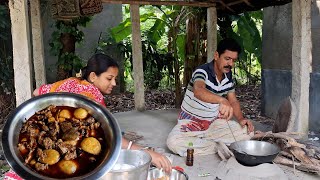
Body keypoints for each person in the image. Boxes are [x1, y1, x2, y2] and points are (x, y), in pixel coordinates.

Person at [5, 53, 171, 180]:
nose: (114, 83)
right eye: (109, 78)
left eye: (115, 79)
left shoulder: (70, 82)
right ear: (93, 76)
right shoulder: (92, 95)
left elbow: (36, 92)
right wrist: (147, 152)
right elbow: (114, 140)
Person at [166, 38, 255, 157]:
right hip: (191, 123)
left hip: (214, 124)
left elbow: (233, 100)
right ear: (217, 55)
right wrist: (222, 100)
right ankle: (217, 146)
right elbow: (199, 91)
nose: (230, 64)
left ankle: (208, 144)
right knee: (173, 143)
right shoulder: (202, 71)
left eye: (233, 60)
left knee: (247, 132)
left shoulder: (228, 76)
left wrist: (241, 119)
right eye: (227, 59)